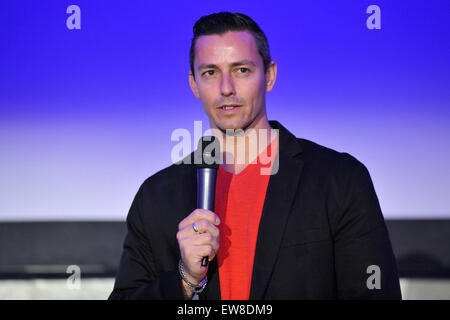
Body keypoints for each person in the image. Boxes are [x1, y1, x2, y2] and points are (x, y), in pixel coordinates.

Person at [109, 12, 402, 300]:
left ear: (269, 75)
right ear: (194, 84)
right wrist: (184, 279)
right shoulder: (157, 196)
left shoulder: (338, 179)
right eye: (210, 72)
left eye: (241, 70)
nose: (226, 88)